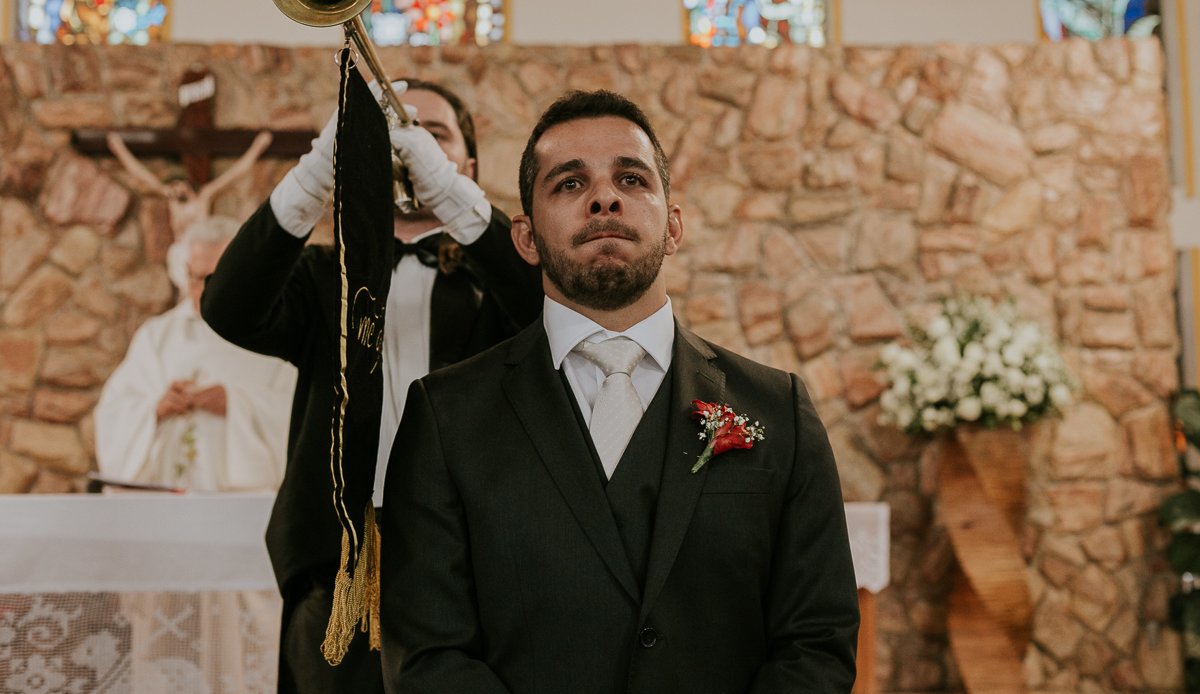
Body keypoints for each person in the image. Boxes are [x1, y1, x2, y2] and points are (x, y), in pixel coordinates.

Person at [381, 90, 860, 693]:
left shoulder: (778, 408)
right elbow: (427, 654)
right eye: (569, 184)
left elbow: (817, 641)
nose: (604, 198)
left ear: (673, 226)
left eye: (631, 179)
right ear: (525, 238)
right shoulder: (446, 417)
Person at [200, 79, 542, 694]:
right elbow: (229, 307)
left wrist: (452, 197)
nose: (408, 147)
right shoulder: (322, 275)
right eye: (392, 136)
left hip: (478, 565)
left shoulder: (501, 276)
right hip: (337, 568)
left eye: (433, 135)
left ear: (465, 167)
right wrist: (319, 171)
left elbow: (557, 307)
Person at [94, 215, 297, 492]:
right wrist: (157, 408)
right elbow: (114, 411)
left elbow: (296, 413)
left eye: (214, 278)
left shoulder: (271, 334)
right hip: (167, 500)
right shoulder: (157, 336)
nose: (203, 290)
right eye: (195, 277)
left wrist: (233, 403)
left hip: (242, 503)